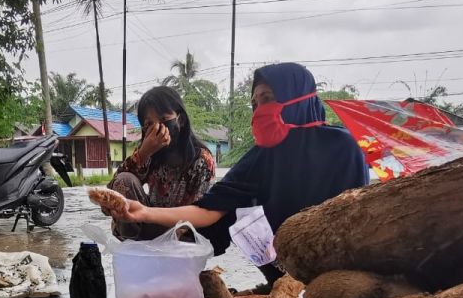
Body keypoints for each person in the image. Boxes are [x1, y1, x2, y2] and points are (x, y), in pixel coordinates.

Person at [105, 63, 370, 283]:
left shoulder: (343, 148)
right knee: (233, 214)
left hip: (335, 263)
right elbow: (209, 210)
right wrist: (142, 211)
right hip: (282, 261)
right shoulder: (263, 155)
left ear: (295, 97)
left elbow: (355, 221)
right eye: (255, 103)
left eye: (266, 98)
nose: (259, 110)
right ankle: (278, 284)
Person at [108, 85, 217, 241]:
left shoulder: (202, 161)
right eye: (149, 124)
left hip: (180, 234)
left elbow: (200, 215)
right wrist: (144, 153)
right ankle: (130, 247)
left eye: (164, 119)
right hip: (145, 227)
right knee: (125, 180)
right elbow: (113, 191)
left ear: (181, 120)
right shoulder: (150, 155)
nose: (157, 128)